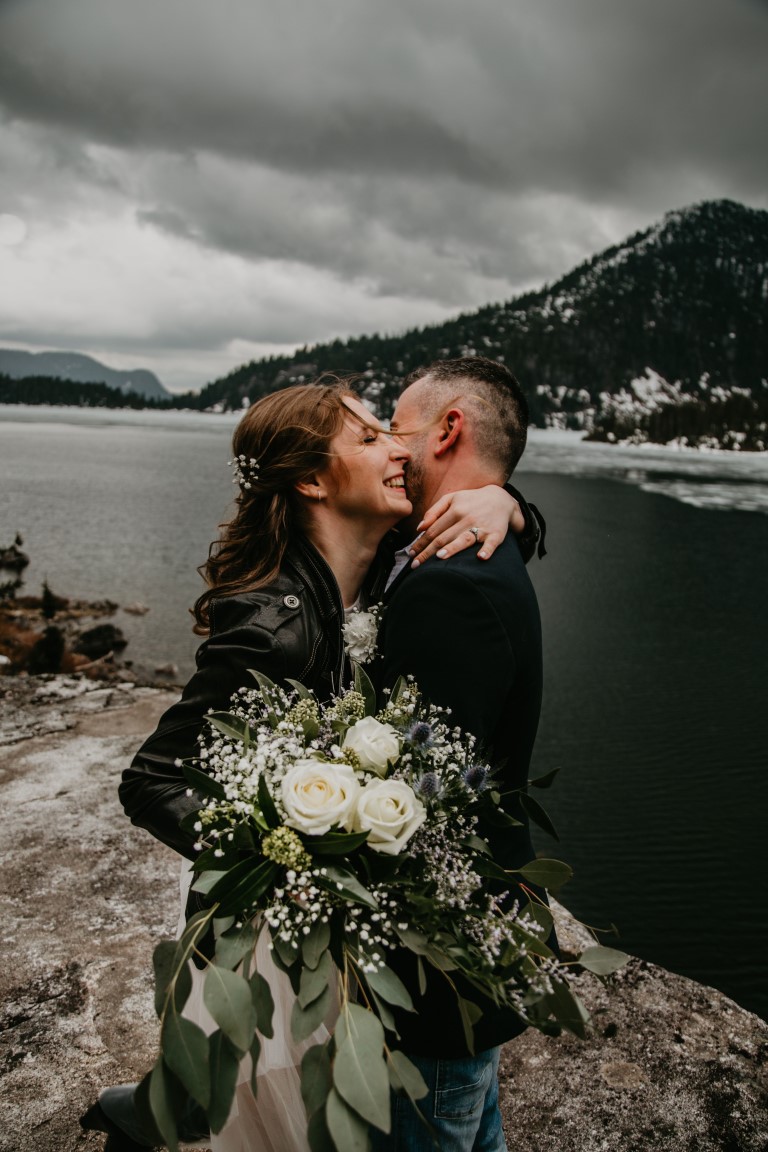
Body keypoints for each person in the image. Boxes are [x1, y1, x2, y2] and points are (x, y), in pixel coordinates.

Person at [80, 377, 541, 1152]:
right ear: (314, 480)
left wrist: (508, 501)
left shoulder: (399, 551)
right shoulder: (271, 626)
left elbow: (486, 538)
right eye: (370, 437)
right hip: (282, 903)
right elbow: (150, 779)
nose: (395, 448)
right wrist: (284, 849)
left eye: (392, 430)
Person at [371, 356, 545, 1152]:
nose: (387, 448)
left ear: (448, 430)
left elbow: (426, 801)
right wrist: (509, 501)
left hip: (436, 970)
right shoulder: (443, 542)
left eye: (395, 429)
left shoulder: (458, 581)